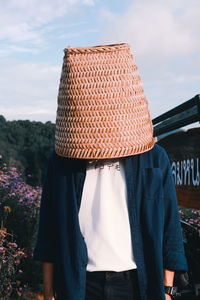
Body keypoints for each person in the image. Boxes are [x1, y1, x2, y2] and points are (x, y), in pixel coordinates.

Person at [33, 43, 188, 300]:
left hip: (137, 282)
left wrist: (167, 289)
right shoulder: (63, 161)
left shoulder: (153, 158)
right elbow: (49, 229)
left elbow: (170, 226)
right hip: (80, 283)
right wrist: (48, 290)